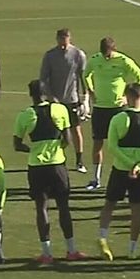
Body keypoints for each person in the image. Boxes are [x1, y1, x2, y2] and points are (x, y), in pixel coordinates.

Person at [14, 79, 84, 263]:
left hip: (36, 167)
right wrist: (57, 148)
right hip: (57, 165)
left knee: (41, 208)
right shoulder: (60, 110)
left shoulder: (25, 115)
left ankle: (46, 253)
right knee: (63, 207)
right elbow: (67, 139)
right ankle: (71, 250)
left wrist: (32, 149)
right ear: (46, 93)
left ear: (31, 95)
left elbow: (17, 144)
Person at [98, 83, 140, 260]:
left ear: (127, 97)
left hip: (120, 169)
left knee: (109, 204)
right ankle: (132, 250)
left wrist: (129, 163)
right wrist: (139, 165)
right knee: (136, 209)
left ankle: (103, 238)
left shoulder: (118, 119)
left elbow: (112, 146)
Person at [82, 37, 140, 190]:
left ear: (114, 50)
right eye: (104, 54)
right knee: (98, 143)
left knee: (123, 143)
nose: (106, 57)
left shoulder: (123, 60)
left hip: (118, 108)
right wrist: (90, 91)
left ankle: (127, 175)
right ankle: (96, 179)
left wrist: (127, 96)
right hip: (100, 108)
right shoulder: (95, 60)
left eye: (108, 54)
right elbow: (85, 75)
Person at [40, 28, 89, 173]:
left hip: (71, 99)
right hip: (54, 101)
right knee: (54, 131)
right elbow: (43, 78)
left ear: (69, 38)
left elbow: (83, 77)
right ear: (57, 39)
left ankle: (79, 160)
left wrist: (85, 98)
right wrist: (50, 96)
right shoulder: (50, 56)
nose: (63, 41)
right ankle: (55, 159)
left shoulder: (78, 54)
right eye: (61, 38)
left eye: (65, 38)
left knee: (75, 129)